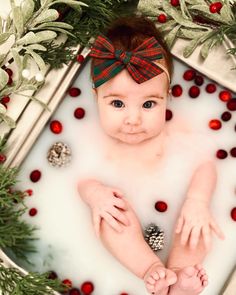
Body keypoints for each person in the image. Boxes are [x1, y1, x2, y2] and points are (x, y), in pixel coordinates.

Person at [77, 15, 225, 295]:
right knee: (110, 220)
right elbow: (80, 178)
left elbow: (205, 164)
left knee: (196, 224)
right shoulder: (91, 139)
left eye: (148, 103)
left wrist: (197, 200)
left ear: (167, 96)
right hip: (126, 211)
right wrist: (95, 195)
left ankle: (180, 275)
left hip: (176, 203)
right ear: (96, 96)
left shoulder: (177, 129)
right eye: (118, 103)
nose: (133, 119)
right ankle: (150, 269)